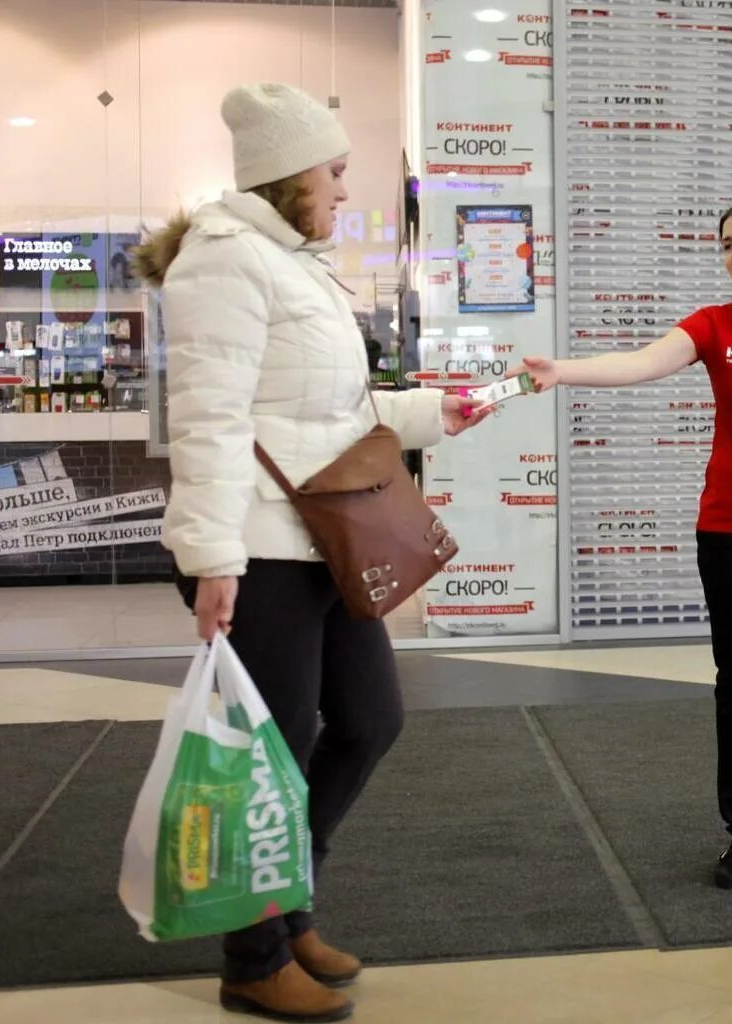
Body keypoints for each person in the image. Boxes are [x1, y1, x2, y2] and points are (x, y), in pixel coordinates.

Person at [132, 83, 486, 1023]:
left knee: (370, 721)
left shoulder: (296, 264)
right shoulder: (226, 262)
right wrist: (211, 559)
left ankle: (288, 909)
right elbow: (207, 420)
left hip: (318, 537)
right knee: (271, 758)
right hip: (254, 547)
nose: (342, 190)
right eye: (333, 172)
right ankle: (251, 959)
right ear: (288, 175)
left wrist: (437, 412)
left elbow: (332, 412)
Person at [512, 200, 732, 889]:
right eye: (727, 242)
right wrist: (564, 371)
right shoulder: (713, 325)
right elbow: (640, 364)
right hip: (731, 530)